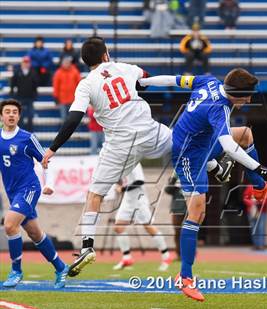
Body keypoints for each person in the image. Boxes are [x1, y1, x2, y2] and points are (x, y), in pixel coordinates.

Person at [41, 36, 231, 278]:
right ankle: (215, 166)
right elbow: (145, 79)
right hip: (148, 131)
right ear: (105, 55)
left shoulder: (85, 84)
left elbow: (74, 118)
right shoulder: (123, 67)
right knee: (183, 142)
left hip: (120, 144)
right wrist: (133, 86)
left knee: (95, 195)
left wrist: (53, 148)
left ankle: (87, 246)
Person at [139, 68, 267, 301]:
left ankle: (259, 188)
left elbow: (173, 80)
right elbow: (228, 146)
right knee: (197, 212)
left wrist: (145, 82)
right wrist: (259, 166)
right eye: (247, 95)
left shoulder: (208, 81)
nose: (249, 100)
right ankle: (185, 277)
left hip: (202, 144)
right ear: (235, 93)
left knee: (246, 134)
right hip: (187, 154)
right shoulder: (219, 107)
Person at [0, 99, 69, 289]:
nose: (11, 114)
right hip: (12, 192)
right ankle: (61, 267)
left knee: (9, 225)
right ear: (1, 116)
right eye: (7, 111)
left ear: (19, 116)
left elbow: (46, 160)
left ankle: (16, 271)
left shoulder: (27, 138)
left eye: (15, 111)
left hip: (29, 188)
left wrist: (50, 184)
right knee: (34, 233)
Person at [112, 164, 172, 271]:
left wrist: (123, 188)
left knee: (148, 227)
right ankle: (127, 258)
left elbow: (139, 181)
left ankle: (166, 256)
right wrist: (118, 183)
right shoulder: (121, 160)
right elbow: (121, 179)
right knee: (118, 227)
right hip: (128, 200)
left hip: (139, 200)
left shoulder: (135, 161)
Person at [9, 56, 38, 132]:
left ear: (29, 64)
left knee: (30, 116)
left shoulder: (33, 72)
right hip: (20, 97)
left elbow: (35, 84)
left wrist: (35, 95)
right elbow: (13, 83)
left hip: (30, 97)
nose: (26, 64)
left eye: (27, 62)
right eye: (24, 62)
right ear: (22, 63)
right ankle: (20, 131)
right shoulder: (17, 72)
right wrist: (12, 92)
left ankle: (30, 132)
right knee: (20, 116)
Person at [164, 172, 187, 259]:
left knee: (189, 232)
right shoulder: (176, 178)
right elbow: (167, 190)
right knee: (177, 232)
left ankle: (190, 254)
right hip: (177, 208)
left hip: (189, 208)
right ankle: (179, 254)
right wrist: (173, 180)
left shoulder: (192, 175)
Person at [53, 57, 81, 123]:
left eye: (67, 63)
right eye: (65, 63)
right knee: (64, 119)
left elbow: (79, 84)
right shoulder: (58, 73)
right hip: (62, 99)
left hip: (73, 99)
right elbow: (56, 86)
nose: (66, 64)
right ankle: (65, 133)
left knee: (73, 119)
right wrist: (56, 97)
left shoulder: (75, 71)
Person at [243, 184, 267, 250]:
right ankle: (255, 245)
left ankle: (261, 245)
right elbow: (245, 198)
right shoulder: (249, 187)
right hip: (252, 211)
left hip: (262, 211)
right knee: (253, 228)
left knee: (261, 228)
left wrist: (260, 202)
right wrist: (252, 203)